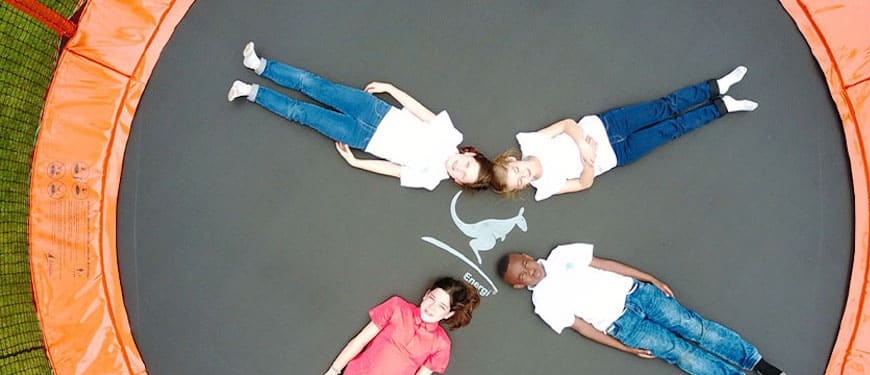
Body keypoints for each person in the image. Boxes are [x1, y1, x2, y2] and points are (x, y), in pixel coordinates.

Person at [498, 243, 785, 375]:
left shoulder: (561, 254)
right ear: (518, 287)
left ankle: (756, 362)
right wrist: (625, 348)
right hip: (624, 327)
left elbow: (606, 264)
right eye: (520, 277)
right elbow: (582, 327)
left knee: (696, 328)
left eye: (524, 265)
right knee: (682, 354)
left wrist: (649, 278)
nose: (528, 272)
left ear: (526, 256)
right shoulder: (542, 303)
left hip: (639, 294)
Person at [227, 42, 492, 191]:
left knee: (302, 113)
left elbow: (393, 170)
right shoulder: (451, 136)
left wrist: (357, 163)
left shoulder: (433, 178)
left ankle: (250, 92)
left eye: (463, 176)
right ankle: (260, 65)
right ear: (470, 154)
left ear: (458, 182)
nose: (460, 168)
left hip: (362, 139)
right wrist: (391, 89)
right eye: (467, 165)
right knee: (314, 85)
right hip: (375, 110)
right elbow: (421, 111)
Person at [491, 67, 757, 201]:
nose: (523, 176)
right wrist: (589, 162)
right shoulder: (544, 188)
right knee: (673, 129)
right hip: (619, 154)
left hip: (608, 125)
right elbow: (584, 183)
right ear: (521, 189)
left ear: (513, 161)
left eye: (516, 172)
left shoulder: (531, 142)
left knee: (665, 106)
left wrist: (583, 145)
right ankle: (723, 107)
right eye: (519, 183)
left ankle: (716, 87)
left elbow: (567, 125)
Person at [309, 277, 481, 375]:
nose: (432, 308)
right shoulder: (397, 307)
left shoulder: (441, 344)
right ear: (426, 294)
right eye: (432, 299)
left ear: (449, 314)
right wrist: (332, 372)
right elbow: (360, 340)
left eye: (441, 306)